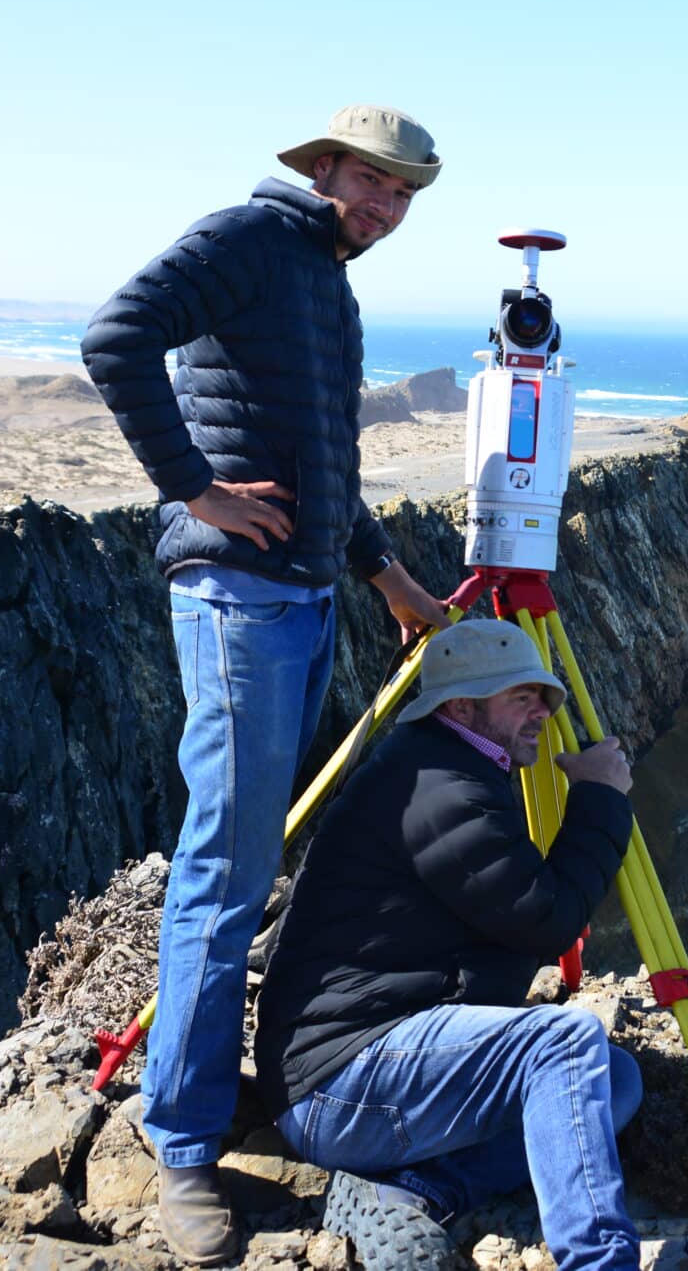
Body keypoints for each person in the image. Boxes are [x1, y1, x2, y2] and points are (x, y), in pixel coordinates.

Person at [81, 105, 454, 1264]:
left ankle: (205, 1092)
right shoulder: (251, 239)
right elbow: (114, 335)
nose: (385, 207)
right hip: (237, 600)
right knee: (224, 869)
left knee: (251, 862)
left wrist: (387, 574)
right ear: (326, 169)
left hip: (301, 600)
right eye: (373, 182)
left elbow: (325, 458)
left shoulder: (323, 280)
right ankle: (182, 1145)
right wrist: (194, 489)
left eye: (403, 194)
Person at [254, 619, 644, 1271]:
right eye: (522, 696)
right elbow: (546, 920)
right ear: (461, 706)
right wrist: (600, 798)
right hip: (333, 1084)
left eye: (545, 697)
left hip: (374, 1052)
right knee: (564, 1042)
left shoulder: (452, 762)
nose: (543, 713)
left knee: (614, 1076)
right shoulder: (442, 788)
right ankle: (601, 1262)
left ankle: (411, 1190)